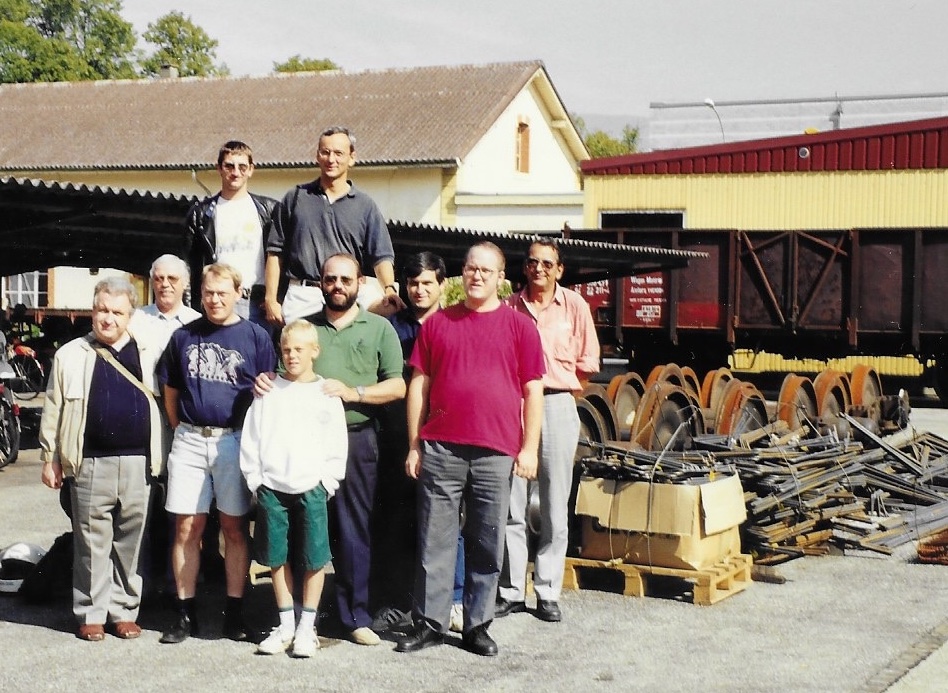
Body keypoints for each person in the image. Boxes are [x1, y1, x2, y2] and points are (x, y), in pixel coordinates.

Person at [395, 242, 545, 657]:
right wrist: (414, 444)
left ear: (501, 278)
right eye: (470, 269)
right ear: (462, 275)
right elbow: (418, 386)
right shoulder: (438, 324)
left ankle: (477, 624)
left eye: (486, 270)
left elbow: (533, 391)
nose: (476, 276)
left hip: (496, 451)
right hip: (442, 448)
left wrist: (529, 448)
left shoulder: (520, 328)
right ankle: (429, 621)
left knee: (485, 539)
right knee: (434, 538)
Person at [255, 253, 405, 646]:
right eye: (330, 279)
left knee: (354, 529)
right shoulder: (306, 328)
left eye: (345, 279)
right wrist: (265, 380)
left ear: (360, 283)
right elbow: (283, 371)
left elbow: (398, 386)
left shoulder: (379, 328)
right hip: (304, 444)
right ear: (321, 283)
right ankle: (307, 616)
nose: (337, 285)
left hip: (357, 438)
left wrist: (353, 392)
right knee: (309, 528)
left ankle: (355, 615)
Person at [39, 277, 165, 641]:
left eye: (116, 312)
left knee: (131, 542)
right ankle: (90, 613)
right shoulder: (70, 355)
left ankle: (123, 610)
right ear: (92, 311)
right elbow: (54, 408)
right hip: (90, 463)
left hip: (139, 463)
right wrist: (50, 457)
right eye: (102, 310)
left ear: (131, 315)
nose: (108, 319)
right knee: (91, 543)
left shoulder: (149, 352)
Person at [157, 263, 277, 644]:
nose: (215, 299)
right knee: (186, 528)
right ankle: (184, 614)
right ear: (200, 293)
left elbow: (269, 387)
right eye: (208, 292)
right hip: (191, 438)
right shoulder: (183, 336)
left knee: (234, 528)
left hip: (234, 440)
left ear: (239, 293)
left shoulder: (256, 336)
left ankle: (235, 615)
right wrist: (180, 427)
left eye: (223, 292)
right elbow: (170, 390)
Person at [496, 239, 601, 623]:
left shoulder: (574, 307)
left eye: (546, 263)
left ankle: (547, 591)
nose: (538, 268)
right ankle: (510, 590)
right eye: (531, 263)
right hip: (514, 406)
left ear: (559, 269)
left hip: (556, 403)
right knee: (513, 502)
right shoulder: (508, 306)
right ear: (524, 268)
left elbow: (588, 364)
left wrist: (556, 387)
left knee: (556, 501)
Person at [240, 320, 348, 658]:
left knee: (315, 556)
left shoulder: (326, 393)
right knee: (277, 556)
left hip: (311, 486)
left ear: (314, 351)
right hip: (273, 485)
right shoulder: (268, 391)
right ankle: (286, 623)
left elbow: (336, 443)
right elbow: (252, 437)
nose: (291, 356)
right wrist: (256, 480)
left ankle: (307, 627)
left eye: (299, 349)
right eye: (286, 350)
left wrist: (327, 482)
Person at [373, 252, 465, 635]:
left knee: (447, 522)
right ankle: (398, 603)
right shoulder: (390, 328)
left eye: (427, 283)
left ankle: (455, 600)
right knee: (397, 520)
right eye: (413, 283)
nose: (419, 290)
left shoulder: (457, 325)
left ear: (443, 284)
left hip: (446, 434)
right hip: (398, 436)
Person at [263, 126, 405, 324]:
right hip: (304, 296)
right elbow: (274, 252)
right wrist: (271, 298)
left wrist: (389, 288)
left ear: (352, 157)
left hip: (348, 294)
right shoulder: (295, 198)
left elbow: (381, 256)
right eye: (325, 152)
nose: (331, 159)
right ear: (317, 156)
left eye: (338, 153)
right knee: (298, 352)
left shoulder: (365, 206)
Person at [185, 140, 278, 331]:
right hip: (218, 300)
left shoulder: (269, 210)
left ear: (251, 169)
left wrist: (274, 298)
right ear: (219, 168)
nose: (236, 172)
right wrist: (194, 306)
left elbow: (278, 256)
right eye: (229, 166)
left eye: (242, 167)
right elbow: (190, 264)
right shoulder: (201, 214)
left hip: (257, 302)